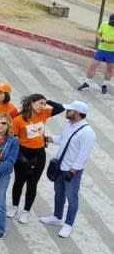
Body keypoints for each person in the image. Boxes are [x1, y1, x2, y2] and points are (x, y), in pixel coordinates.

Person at [40, 101, 96, 238]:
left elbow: (83, 155)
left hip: (71, 170)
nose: (66, 112)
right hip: (60, 165)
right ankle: (57, 217)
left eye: (69, 110)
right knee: (58, 192)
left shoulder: (88, 133)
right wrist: (47, 138)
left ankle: (68, 224)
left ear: (77, 113)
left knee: (72, 197)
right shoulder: (69, 124)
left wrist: (73, 171)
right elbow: (63, 139)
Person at [10, 94, 64, 223]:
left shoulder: (44, 113)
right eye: (40, 103)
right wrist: (20, 158)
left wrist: (48, 100)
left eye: (44, 104)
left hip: (39, 154)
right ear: (31, 103)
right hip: (23, 154)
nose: (43, 106)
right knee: (19, 182)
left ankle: (26, 211)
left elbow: (61, 108)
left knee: (32, 183)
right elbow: (12, 140)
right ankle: (14, 206)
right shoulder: (18, 120)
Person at [78, 12, 114, 94]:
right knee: (93, 66)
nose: (112, 24)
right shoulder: (104, 24)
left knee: (110, 69)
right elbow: (98, 34)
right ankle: (87, 83)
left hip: (112, 52)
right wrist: (100, 38)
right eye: (111, 22)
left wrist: (109, 41)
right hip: (101, 50)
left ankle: (105, 85)